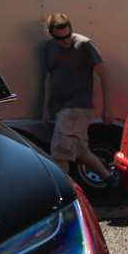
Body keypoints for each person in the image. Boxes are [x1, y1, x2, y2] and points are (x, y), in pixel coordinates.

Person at [43, 13, 117, 186]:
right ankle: (110, 180)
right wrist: (46, 108)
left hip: (77, 107)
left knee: (60, 154)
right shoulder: (49, 47)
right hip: (61, 107)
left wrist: (108, 108)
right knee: (81, 151)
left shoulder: (83, 45)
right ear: (50, 33)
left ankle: (62, 196)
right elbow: (49, 78)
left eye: (68, 35)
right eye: (61, 38)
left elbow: (104, 75)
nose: (66, 41)